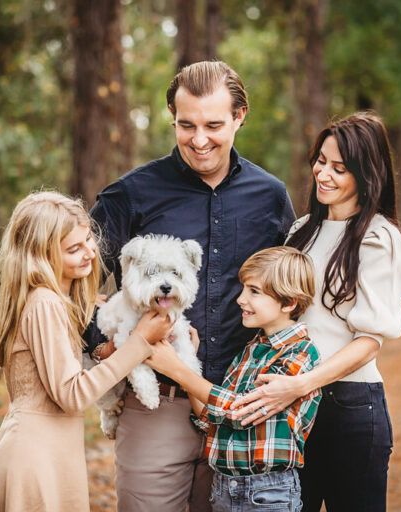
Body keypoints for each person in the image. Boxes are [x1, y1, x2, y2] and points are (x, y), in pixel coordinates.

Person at [88, 60, 296, 511]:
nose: (200, 140)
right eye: (187, 125)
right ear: (172, 117)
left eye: (214, 125)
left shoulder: (271, 198)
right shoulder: (131, 195)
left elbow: (292, 298)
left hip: (242, 411)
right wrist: (105, 350)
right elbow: (71, 282)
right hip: (156, 406)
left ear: (241, 116)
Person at [230, 111, 401, 511]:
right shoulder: (300, 231)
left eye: (340, 168)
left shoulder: (378, 238)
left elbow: (368, 343)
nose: (323, 174)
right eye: (321, 161)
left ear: (367, 175)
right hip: (291, 408)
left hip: (347, 405)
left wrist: (300, 385)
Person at [0, 191, 173, 511]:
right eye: (74, 249)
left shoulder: (53, 303)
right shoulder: (45, 302)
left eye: (88, 241)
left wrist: (102, 352)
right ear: (40, 255)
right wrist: (139, 342)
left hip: (51, 453)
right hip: (34, 461)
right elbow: (72, 395)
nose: (90, 253)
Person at [146, 246, 320, 512]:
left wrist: (177, 371)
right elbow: (210, 418)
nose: (240, 299)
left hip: (268, 493)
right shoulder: (250, 351)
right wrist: (186, 364)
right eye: (243, 289)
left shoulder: (301, 353)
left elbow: (243, 410)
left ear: (289, 302)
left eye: (254, 291)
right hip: (223, 490)